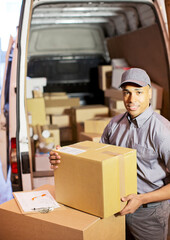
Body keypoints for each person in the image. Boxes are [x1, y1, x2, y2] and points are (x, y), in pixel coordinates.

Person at [49, 68, 170, 240]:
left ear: (149, 93)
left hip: (148, 213)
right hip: (114, 207)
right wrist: (64, 158)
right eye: (126, 92)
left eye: (138, 92)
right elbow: (97, 162)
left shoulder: (163, 131)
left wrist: (142, 199)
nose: (131, 99)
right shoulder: (114, 125)